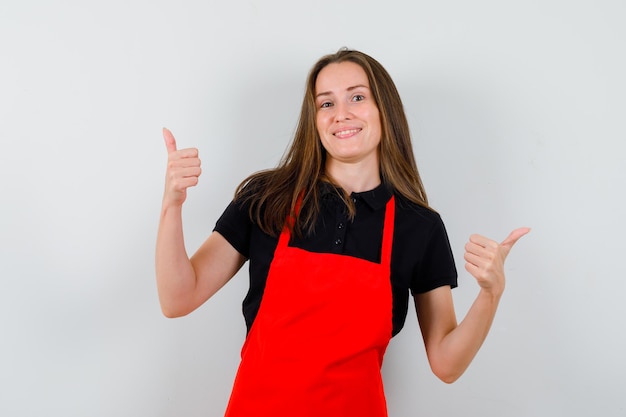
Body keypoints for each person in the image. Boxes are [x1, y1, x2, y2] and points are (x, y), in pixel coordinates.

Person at [155, 48, 529, 417]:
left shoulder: (419, 227)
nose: (342, 113)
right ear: (314, 119)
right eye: (326, 103)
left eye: (357, 97)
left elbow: (446, 364)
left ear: (385, 111)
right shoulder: (267, 199)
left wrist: (490, 294)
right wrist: (172, 204)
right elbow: (178, 298)